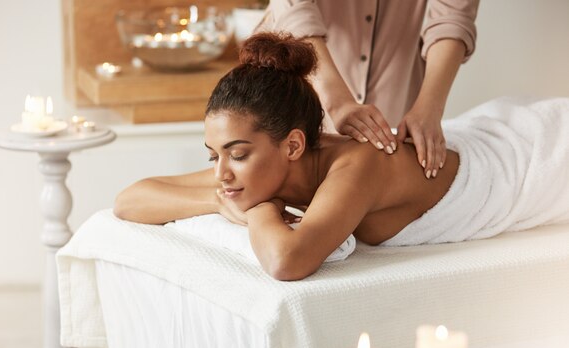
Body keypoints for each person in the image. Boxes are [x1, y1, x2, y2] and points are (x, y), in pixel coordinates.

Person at [114, 33, 569, 281]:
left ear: (292, 145)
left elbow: (286, 261)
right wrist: (217, 201)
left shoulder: (356, 166)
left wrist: (256, 211)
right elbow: (130, 200)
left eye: (237, 154)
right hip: (482, 133)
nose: (221, 173)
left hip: (530, 162)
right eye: (213, 155)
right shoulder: (255, 168)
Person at [257, 0, 480, 180]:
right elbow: (295, 9)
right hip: (304, 70)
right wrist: (337, 102)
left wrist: (429, 108)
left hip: (395, 88)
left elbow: (453, 16)